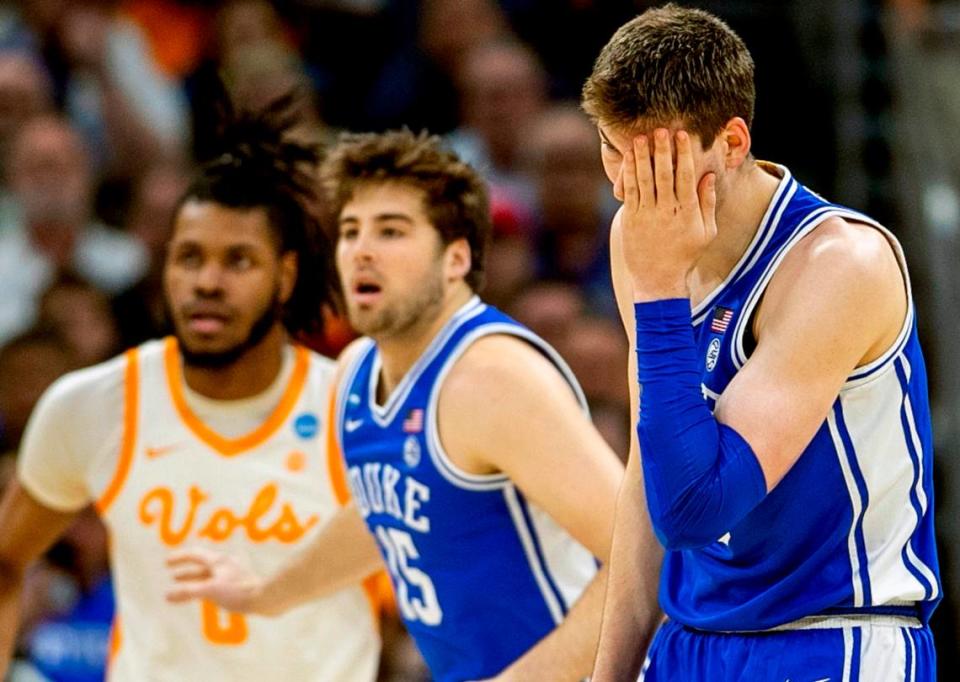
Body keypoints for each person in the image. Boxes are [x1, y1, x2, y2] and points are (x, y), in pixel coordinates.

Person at [164, 129, 630, 682]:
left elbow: (639, 558)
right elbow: (381, 513)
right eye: (351, 231)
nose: (361, 250)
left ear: (455, 259)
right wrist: (267, 592)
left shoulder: (491, 378)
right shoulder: (357, 370)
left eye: (391, 231)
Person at [581, 5, 940, 680]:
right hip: (690, 640)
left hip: (829, 640)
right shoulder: (635, 236)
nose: (630, 185)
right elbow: (648, 478)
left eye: (657, 159)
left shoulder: (839, 266)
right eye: (610, 150)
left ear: (733, 142)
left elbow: (697, 508)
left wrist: (660, 289)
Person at [0, 99, 382, 681]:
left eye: (238, 261)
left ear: (285, 277)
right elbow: (6, 560)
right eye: (189, 258)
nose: (207, 282)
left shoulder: (353, 408)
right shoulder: (95, 405)